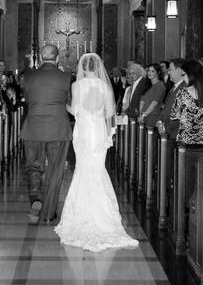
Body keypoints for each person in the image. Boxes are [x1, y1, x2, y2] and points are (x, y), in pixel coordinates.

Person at [54, 52, 139, 251]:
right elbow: (110, 113)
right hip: (98, 131)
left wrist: (62, 105)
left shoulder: (77, 86)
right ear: (98, 67)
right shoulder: (105, 86)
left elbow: (75, 110)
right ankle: (104, 216)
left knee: (83, 169)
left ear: (83, 67)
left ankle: (81, 215)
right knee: (97, 170)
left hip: (83, 131)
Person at [20, 44, 72, 225]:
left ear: (41, 58)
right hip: (58, 126)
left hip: (33, 126)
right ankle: (49, 213)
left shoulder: (28, 76)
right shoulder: (66, 76)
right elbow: (68, 101)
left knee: (33, 166)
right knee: (55, 170)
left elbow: (26, 98)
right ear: (57, 59)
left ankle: (35, 199)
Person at [169, 59, 203, 144]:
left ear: (191, 75)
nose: (183, 78)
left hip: (186, 139)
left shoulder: (183, 92)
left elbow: (173, 115)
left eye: (183, 75)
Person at [156, 58, 186, 140]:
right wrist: (160, 122)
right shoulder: (173, 88)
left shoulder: (184, 88)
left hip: (176, 133)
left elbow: (179, 114)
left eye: (171, 70)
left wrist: (165, 128)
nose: (168, 72)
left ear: (179, 71)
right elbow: (166, 108)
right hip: (168, 132)